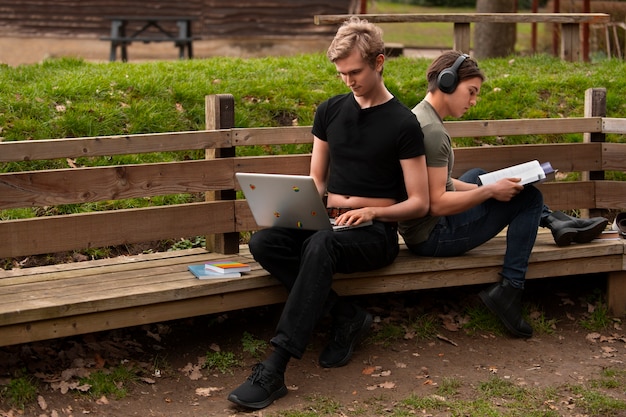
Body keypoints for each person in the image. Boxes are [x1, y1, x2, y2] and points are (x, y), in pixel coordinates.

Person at [227, 17, 430, 410]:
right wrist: (291, 207)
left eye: (355, 72)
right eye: (341, 74)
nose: (348, 81)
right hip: (330, 221)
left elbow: (419, 201)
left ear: (379, 62)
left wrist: (370, 211)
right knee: (265, 241)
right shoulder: (329, 112)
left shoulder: (404, 123)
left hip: (375, 233)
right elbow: (317, 181)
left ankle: (275, 367)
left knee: (322, 243)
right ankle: (346, 314)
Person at [398, 51, 608, 339]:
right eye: (471, 92)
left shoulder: (420, 115)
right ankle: (511, 288)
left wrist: (489, 189)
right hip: (432, 236)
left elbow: (440, 183)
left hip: (420, 227)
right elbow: (437, 202)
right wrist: (490, 192)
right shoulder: (434, 132)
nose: (474, 101)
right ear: (447, 82)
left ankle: (555, 221)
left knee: (478, 175)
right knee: (529, 198)